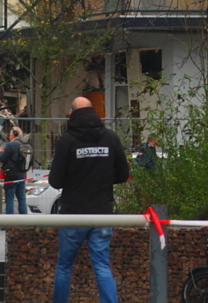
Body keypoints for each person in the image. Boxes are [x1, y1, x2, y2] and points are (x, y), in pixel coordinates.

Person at [49, 97, 130, 303]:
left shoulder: (67, 140)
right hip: (102, 213)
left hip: (73, 214)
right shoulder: (110, 137)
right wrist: (103, 178)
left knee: (64, 266)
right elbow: (123, 174)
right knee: (102, 265)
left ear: (72, 114)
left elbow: (55, 181)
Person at [0, 126, 29, 215]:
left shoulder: (10, 145)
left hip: (11, 176)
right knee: (22, 199)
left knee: (10, 199)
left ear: (14, 134)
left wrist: (0, 152)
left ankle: (10, 221)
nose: (9, 136)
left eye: (10, 134)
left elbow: (3, 158)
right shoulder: (25, 145)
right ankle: (24, 219)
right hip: (22, 175)